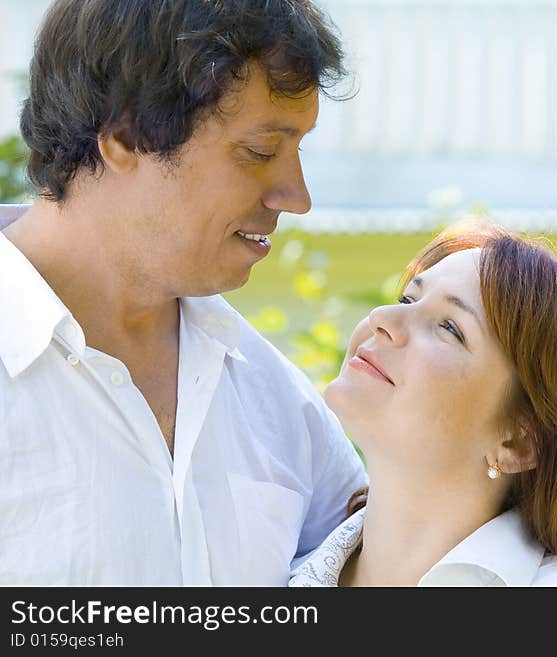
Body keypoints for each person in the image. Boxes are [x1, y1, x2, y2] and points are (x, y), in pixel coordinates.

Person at [0, 0, 366, 585]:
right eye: (261, 152)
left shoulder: (276, 398)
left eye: (298, 152)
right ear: (124, 136)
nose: (296, 196)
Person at [289, 221, 557, 587]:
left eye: (449, 327)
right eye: (408, 298)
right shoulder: (270, 557)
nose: (382, 318)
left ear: (519, 441)